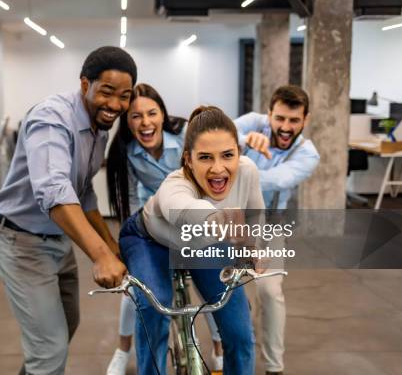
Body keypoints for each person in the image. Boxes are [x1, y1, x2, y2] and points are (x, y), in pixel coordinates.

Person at [0, 46, 136, 375]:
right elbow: (54, 189)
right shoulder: (52, 120)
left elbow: (83, 192)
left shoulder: (99, 128)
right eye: (107, 92)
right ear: (85, 85)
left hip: (57, 239)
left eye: (124, 97)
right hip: (20, 241)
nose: (115, 105)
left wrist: (111, 245)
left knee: (65, 326)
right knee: (50, 349)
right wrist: (100, 256)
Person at [119, 106, 263, 375]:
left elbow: (255, 216)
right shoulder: (174, 184)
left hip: (202, 245)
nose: (218, 168)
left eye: (228, 155)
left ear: (239, 154)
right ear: (188, 159)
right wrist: (215, 219)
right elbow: (183, 208)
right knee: (154, 308)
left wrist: (254, 250)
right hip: (149, 240)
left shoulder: (248, 172)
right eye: (205, 157)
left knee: (240, 333)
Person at [105, 84, 225, 374]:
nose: (145, 122)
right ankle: (123, 349)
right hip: (155, 220)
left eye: (152, 113)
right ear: (127, 121)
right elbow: (130, 201)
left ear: (162, 114)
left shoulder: (186, 136)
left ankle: (220, 348)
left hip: (195, 217)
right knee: (139, 290)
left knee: (212, 286)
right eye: (135, 116)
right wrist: (128, 248)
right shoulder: (125, 151)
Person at [234, 85, 320, 375]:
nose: (285, 127)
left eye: (294, 120)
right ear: (269, 114)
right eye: (280, 118)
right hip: (228, 219)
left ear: (305, 120)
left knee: (269, 292)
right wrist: (244, 140)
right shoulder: (253, 123)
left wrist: (235, 161)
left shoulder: (308, 154)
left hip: (269, 224)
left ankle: (274, 367)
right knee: (224, 290)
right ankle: (223, 355)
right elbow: (215, 136)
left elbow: (273, 181)